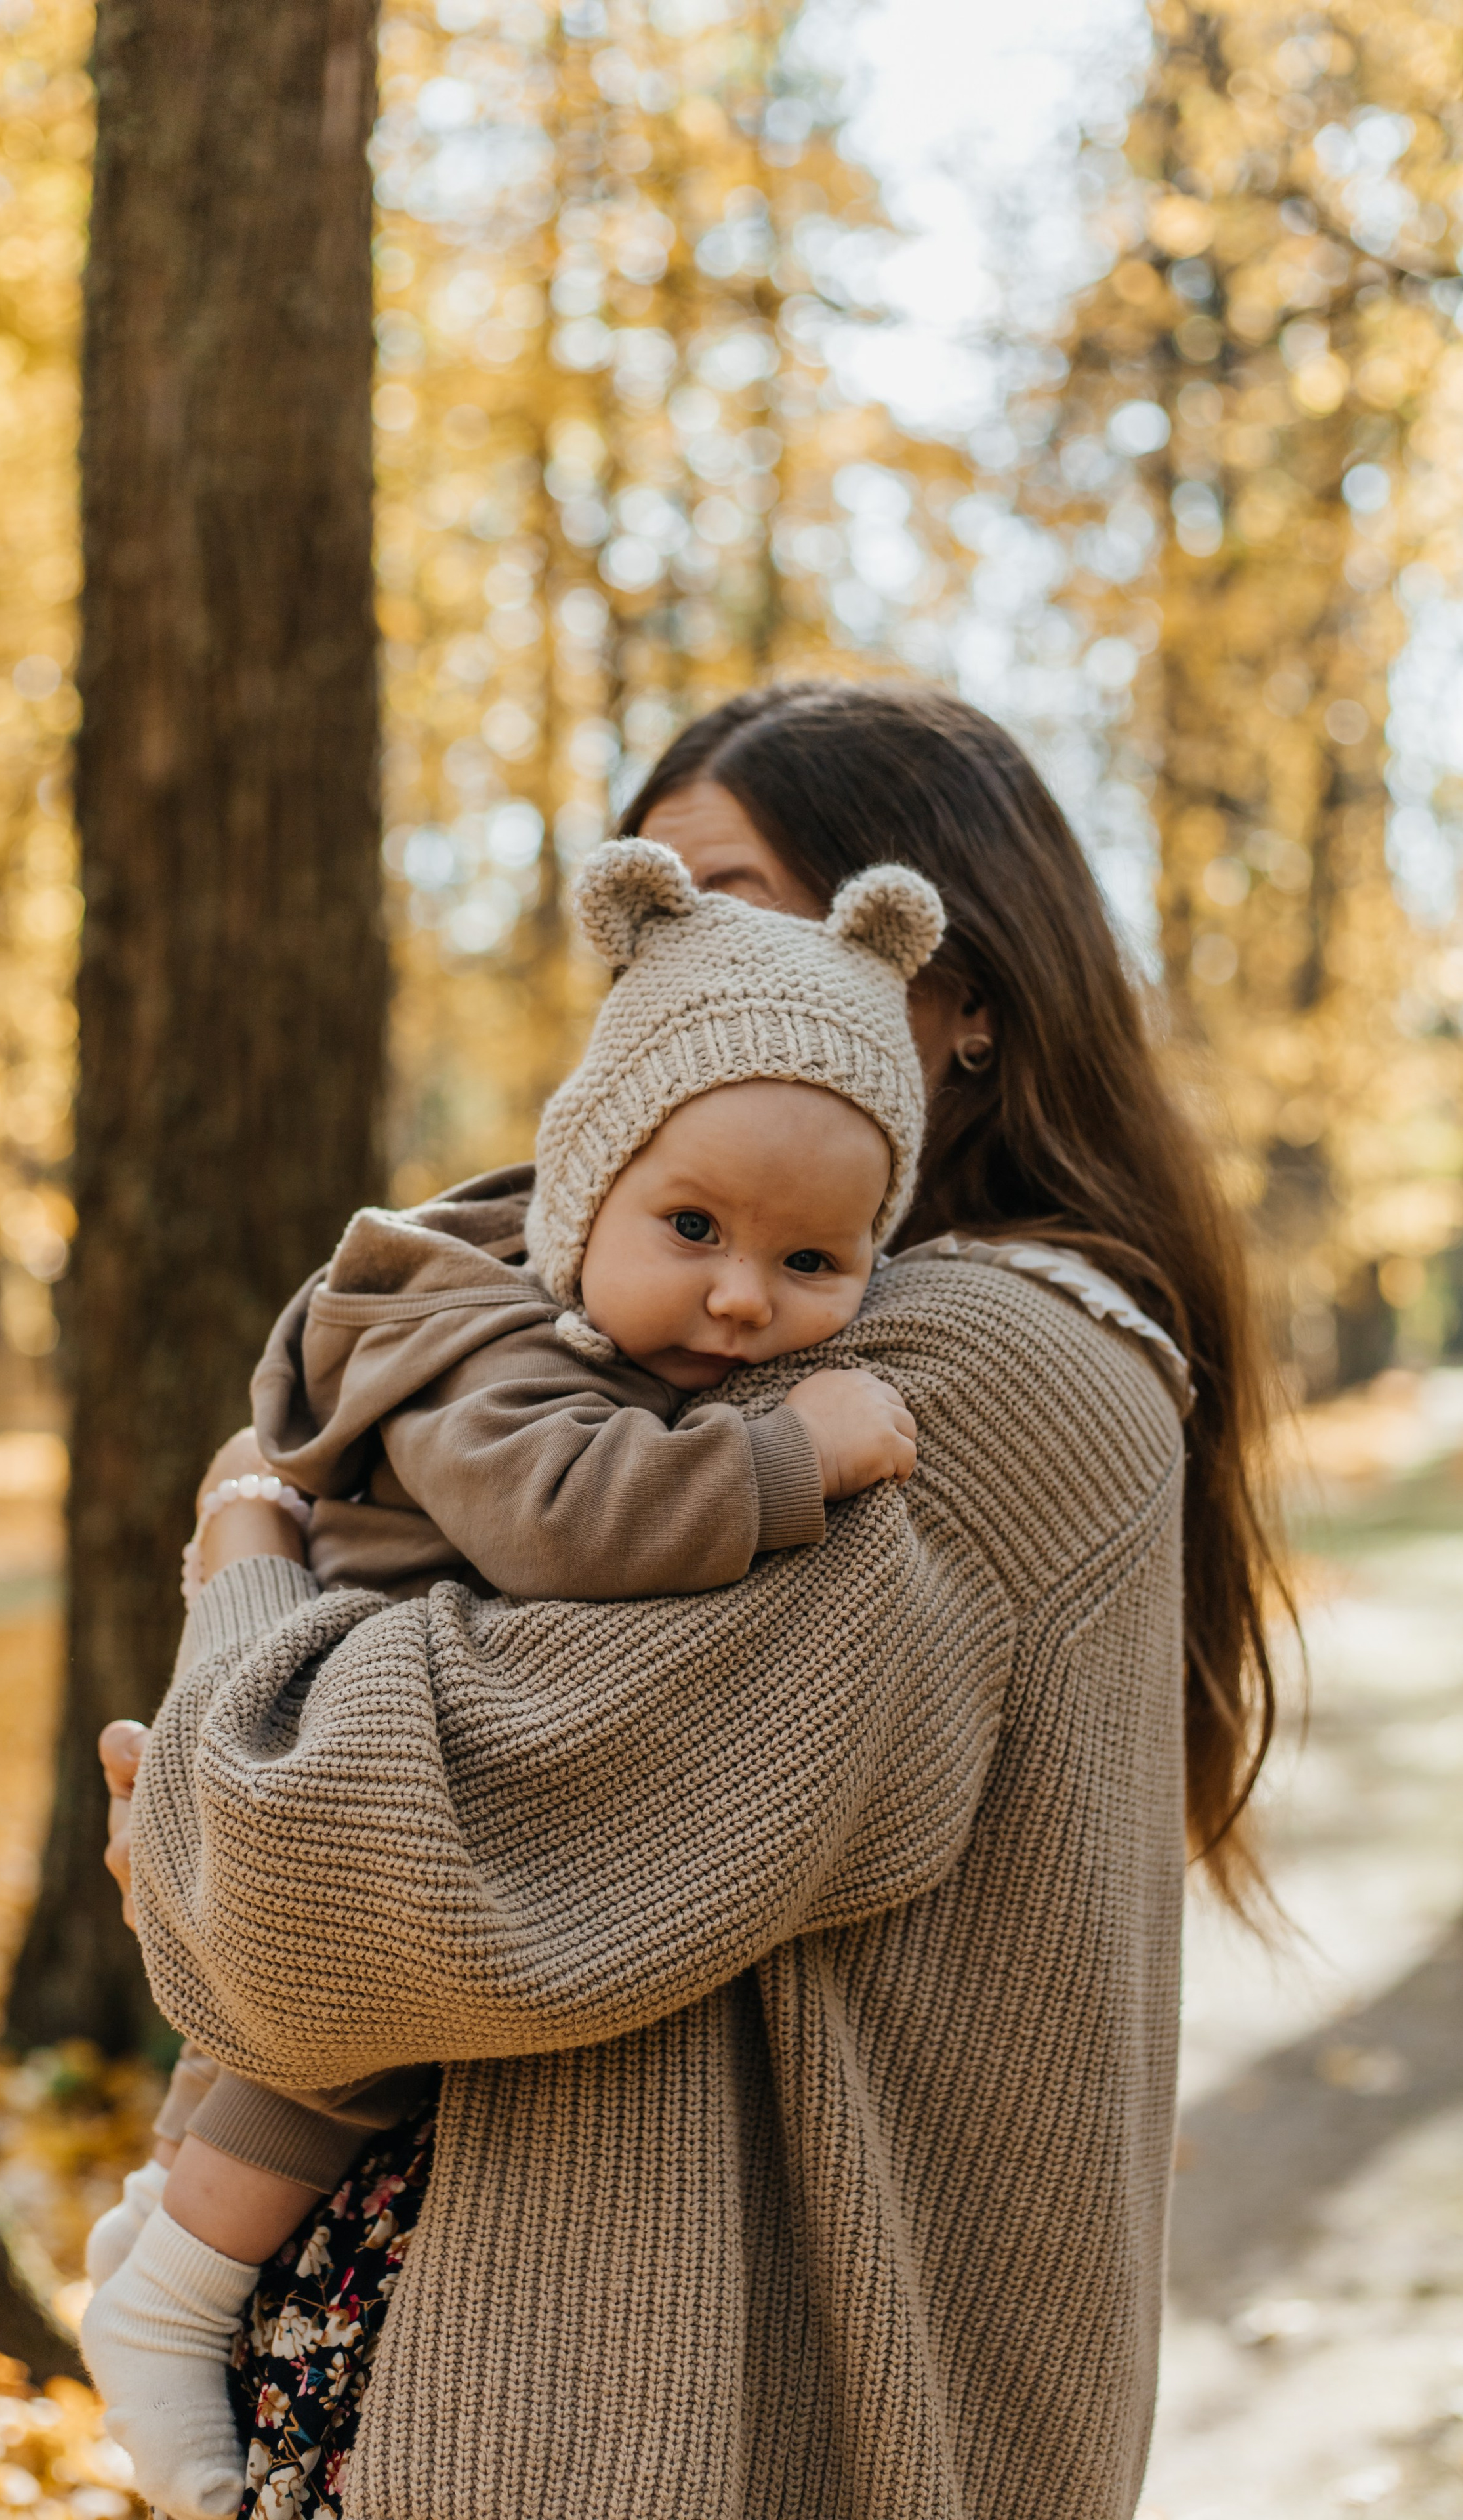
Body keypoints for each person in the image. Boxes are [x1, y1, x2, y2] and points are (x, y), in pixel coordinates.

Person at [101, 679, 1285, 2520]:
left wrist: (242, 1577)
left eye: (760, 900)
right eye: (674, 922)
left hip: (680, 2436)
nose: (716, 975)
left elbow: (295, 1877)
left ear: (962, 1000)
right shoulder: (756, 1358)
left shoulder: (951, 1377)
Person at [79, 837, 944, 2519]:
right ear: (580, 1194)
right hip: (336, 1772)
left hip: (348, 1756)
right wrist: (789, 1460)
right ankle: (163, 2299)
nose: (740, 1297)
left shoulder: (611, 1333)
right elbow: (562, 1530)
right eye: (688, 1226)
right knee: (343, 2039)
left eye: (813, 1267)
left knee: (303, 2046)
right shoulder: (485, 1360)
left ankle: (159, 2231)